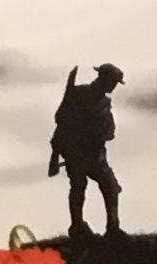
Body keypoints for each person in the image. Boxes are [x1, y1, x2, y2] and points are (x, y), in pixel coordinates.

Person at [50, 64, 125, 239]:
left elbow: (109, 129)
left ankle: (113, 227)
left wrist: (105, 132)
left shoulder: (104, 103)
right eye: (113, 82)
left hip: (95, 153)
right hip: (76, 152)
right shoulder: (78, 95)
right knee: (79, 186)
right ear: (104, 79)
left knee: (110, 187)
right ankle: (77, 225)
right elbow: (61, 121)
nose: (114, 86)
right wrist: (56, 154)